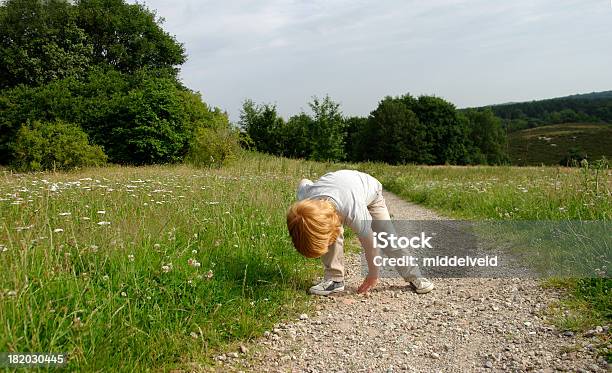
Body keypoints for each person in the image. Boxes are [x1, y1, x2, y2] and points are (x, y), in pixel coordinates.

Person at [286, 169, 434, 295]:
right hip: (343, 189)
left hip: (370, 192)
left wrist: (373, 274)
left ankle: (415, 275)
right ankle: (334, 279)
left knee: (387, 236)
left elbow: (371, 245)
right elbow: (304, 181)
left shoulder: (353, 211)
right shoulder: (305, 198)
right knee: (325, 233)